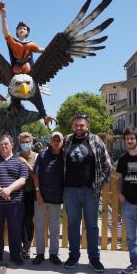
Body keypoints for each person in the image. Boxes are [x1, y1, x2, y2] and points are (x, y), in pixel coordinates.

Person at [63, 114, 111, 272]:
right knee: (73, 225)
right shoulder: (67, 140)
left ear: (87, 126)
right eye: (76, 125)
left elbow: (107, 165)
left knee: (91, 226)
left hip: (90, 191)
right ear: (72, 126)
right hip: (70, 190)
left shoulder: (96, 140)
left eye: (82, 125)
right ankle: (74, 255)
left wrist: (98, 185)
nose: (78, 128)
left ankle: (94, 258)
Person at [0, 135, 29, 266]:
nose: (3, 146)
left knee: (15, 229)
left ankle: (15, 255)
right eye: (1, 145)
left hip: (15, 202)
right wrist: (0, 191)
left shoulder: (20, 162)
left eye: (6, 144)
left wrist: (8, 190)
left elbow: (23, 179)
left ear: (12, 145)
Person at [32, 131, 64, 265]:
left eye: (58, 140)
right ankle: (40, 254)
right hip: (41, 198)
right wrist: (38, 193)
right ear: (50, 141)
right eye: (54, 140)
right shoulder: (43, 155)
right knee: (39, 227)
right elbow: (35, 174)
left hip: (57, 198)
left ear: (62, 142)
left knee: (55, 228)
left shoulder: (65, 156)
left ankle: (53, 254)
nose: (56, 142)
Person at [0, 1, 44, 75]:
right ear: (16, 31)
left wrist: (55, 48)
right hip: (16, 70)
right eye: (20, 28)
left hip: (28, 70)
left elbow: (42, 50)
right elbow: (5, 33)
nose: (22, 30)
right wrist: (3, 17)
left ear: (27, 32)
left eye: (24, 29)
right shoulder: (14, 42)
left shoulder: (31, 44)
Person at [116, 128, 137, 274]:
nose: (129, 141)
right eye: (127, 139)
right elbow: (118, 178)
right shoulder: (123, 159)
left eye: (132, 138)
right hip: (128, 203)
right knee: (131, 238)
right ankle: (134, 265)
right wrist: (119, 193)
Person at [17, 132, 38, 260]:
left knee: (28, 220)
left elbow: (37, 174)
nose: (25, 144)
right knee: (18, 220)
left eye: (27, 142)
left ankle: (27, 245)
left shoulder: (37, 157)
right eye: (23, 142)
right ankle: (20, 244)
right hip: (18, 193)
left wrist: (25, 163)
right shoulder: (16, 156)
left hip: (31, 193)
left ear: (31, 142)